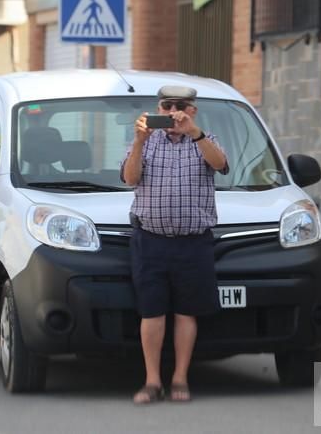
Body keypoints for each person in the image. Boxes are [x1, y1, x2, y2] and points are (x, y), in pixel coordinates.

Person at [121, 85, 229, 404]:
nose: (172, 112)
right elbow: (130, 177)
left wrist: (194, 133)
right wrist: (140, 141)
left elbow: (220, 163)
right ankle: (152, 380)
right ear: (158, 108)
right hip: (150, 240)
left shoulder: (205, 140)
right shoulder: (147, 141)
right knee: (151, 312)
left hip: (193, 243)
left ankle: (180, 377)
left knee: (187, 312)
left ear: (192, 110)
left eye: (179, 106)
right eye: (166, 106)